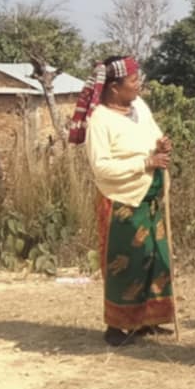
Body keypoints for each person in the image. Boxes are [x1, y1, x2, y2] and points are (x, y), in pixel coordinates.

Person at [68, 56, 176, 347]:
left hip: (150, 197)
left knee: (153, 259)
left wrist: (161, 145)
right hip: (122, 201)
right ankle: (118, 326)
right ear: (114, 87)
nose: (138, 85)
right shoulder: (100, 120)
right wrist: (146, 163)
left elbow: (154, 135)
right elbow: (101, 167)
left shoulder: (140, 106)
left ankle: (147, 320)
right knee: (125, 264)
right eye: (133, 80)